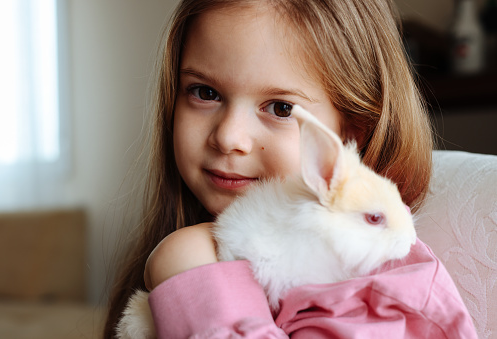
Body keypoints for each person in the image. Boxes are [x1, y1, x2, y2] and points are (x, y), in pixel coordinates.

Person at [104, 0, 477, 338]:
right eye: (205, 92)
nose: (229, 137)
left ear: (350, 129)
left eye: (281, 108)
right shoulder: (183, 239)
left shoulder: (384, 285)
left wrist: (193, 275)